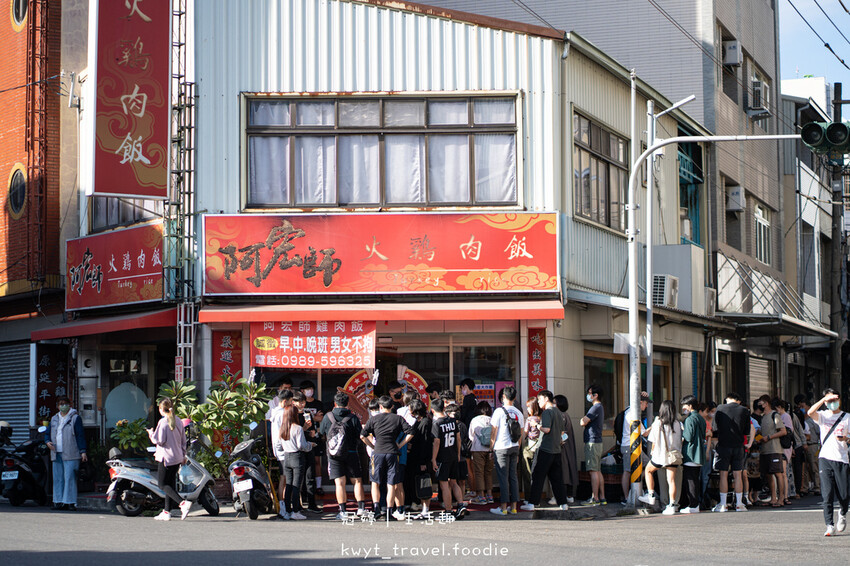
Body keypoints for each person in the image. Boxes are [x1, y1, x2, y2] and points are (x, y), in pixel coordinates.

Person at [360, 395, 414, 520]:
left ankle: (377, 509)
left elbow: (362, 436)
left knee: (375, 482)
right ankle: (390, 511)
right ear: (392, 406)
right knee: (391, 483)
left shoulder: (374, 419)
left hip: (378, 452)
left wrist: (372, 446)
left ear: (380, 406)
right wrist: (400, 444)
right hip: (392, 452)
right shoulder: (398, 418)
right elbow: (411, 432)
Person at [807, 388, 850, 536]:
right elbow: (810, 412)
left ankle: (843, 513)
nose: (832, 403)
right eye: (829, 401)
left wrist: (845, 439)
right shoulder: (823, 416)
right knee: (827, 494)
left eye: (834, 400)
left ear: (839, 400)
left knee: (844, 495)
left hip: (842, 459)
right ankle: (829, 525)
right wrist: (823, 399)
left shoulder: (847, 417)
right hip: (825, 458)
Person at [319, 391, 367, 520]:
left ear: (335, 403)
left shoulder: (328, 417)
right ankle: (361, 508)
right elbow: (360, 434)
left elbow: (322, 432)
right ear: (347, 404)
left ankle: (343, 511)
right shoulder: (353, 417)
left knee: (339, 483)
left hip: (334, 454)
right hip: (351, 452)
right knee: (357, 481)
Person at [521, 390, 569, 512]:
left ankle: (532, 503)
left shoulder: (548, 412)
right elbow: (562, 433)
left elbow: (546, 429)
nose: (538, 402)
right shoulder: (559, 412)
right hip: (556, 450)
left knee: (537, 476)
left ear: (546, 399)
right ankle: (563, 503)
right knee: (557, 479)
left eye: (540, 399)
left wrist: (536, 425)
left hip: (545, 449)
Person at [145, 398, 190, 521]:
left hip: (166, 458)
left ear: (161, 409)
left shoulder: (163, 422)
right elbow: (183, 441)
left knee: (162, 484)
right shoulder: (179, 421)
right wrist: (183, 455)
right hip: (177, 457)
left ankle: (182, 503)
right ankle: (166, 511)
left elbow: (159, 440)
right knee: (170, 484)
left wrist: (151, 433)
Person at [638, 400, 682, 515]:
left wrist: (652, 451)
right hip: (673, 456)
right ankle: (672, 505)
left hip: (660, 455)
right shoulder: (677, 423)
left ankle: (651, 495)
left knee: (648, 471)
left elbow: (653, 440)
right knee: (671, 481)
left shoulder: (658, 422)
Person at [44, 396, 87, 512]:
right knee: (58, 478)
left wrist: (83, 451)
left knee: (70, 478)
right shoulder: (54, 418)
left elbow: (80, 435)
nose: (63, 406)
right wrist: (47, 442)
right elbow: (47, 433)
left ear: (69, 405)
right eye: (61, 404)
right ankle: (58, 501)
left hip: (71, 452)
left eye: (65, 404)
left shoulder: (75, 418)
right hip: (56, 452)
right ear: (57, 406)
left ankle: (70, 502)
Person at [711, 392, 752, 512]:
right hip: (738, 446)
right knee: (738, 475)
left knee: (723, 474)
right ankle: (739, 503)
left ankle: (723, 504)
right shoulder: (744, 410)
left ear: (727, 399)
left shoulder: (720, 408)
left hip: (723, 445)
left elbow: (715, 428)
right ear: (737, 400)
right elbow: (747, 431)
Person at [431, 398, 468, 519]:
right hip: (453, 455)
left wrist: (433, 459)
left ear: (433, 410)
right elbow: (458, 438)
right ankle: (460, 505)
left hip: (443, 457)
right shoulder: (452, 421)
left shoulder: (437, 424)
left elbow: (436, 442)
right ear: (443, 408)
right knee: (454, 482)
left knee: (444, 485)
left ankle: (448, 510)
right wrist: (458, 454)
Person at [275, 404, 315, 520]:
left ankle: (287, 511)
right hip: (297, 457)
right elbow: (301, 445)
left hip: (286, 457)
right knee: (296, 485)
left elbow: (278, 445)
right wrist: (310, 445)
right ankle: (296, 511)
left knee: (289, 485)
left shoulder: (282, 428)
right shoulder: (297, 428)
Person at [489, 386, 524, 516]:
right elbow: (520, 434)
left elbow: (494, 431)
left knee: (503, 478)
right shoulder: (519, 413)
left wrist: (491, 448)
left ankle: (503, 508)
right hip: (514, 447)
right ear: (514, 398)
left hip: (501, 447)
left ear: (503, 396)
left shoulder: (499, 411)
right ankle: (514, 507)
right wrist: (518, 449)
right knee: (513, 477)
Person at [616, 392, 649, 503]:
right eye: (645, 403)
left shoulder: (628, 410)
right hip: (629, 446)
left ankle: (634, 488)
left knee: (647, 466)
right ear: (640, 402)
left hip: (630, 446)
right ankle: (627, 497)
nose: (646, 406)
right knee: (627, 471)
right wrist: (655, 425)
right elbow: (644, 433)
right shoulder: (633, 414)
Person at [405, 399, 434, 517]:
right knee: (414, 480)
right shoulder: (418, 421)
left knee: (422, 482)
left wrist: (423, 461)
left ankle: (423, 505)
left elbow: (425, 443)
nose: (409, 411)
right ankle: (415, 502)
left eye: (410, 409)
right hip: (413, 456)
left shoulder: (425, 422)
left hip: (420, 458)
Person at [757, 395, 787, 508]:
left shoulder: (775, 415)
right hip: (765, 450)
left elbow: (783, 431)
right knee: (768, 474)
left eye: (761, 402)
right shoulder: (763, 417)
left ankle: (781, 498)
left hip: (774, 449)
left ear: (766, 403)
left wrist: (769, 437)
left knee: (778, 473)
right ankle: (773, 498)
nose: (759, 404)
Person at [679, 395, 706, 513]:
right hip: (699, 453)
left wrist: (682, 433)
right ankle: (695, 504)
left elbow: (688, 437)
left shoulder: (689, 419)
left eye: (684, 406)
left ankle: (693, 505)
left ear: (690, 406)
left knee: (690, 480)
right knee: (695, 479)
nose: (683, 408)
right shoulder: (701, 418)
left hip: (690, 453)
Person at [580, 384, 605, 505]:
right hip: (597, 442)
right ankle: (602, 497)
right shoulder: (600, 407)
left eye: (590, 393)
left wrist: (582, 419)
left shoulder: (595, 408)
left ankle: (595, 498)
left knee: (593, 471)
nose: (588, 395)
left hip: (592, 442)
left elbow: (583, 422)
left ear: (596, 395)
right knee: (597, 470)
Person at [300, 379, 325, 498]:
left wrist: (313, 418)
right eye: (307, 389)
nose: (310, 391)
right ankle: (304, 488)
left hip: (316, 436)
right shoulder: (301, 404)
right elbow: (304, 418)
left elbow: (321, 418)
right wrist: (313, 417)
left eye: (311, 389)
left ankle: (318, 486)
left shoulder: (318, 404)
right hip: (304, 436)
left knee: (317, 461)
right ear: (302, 391)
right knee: (305, 462)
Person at [554, 395, 579, 503]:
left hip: (562, 447)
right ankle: (569, 495)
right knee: (569, 469)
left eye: (554, 402)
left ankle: (561, 497)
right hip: (568, 447)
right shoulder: (565, 415)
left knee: (563, 471)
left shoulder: (560, 415)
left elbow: (562, 433)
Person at [468, 401, 494, 504]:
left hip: (478, 448)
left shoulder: (474, 420)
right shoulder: (492, 420)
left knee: (479, 472)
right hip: (490, 449)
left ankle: (481, 496)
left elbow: (471, 436)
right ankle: (490, 495)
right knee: (488, 472)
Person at [795, 395, 821, 495]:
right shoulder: (801, 419)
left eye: (803, 407)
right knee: (804, 468)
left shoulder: (814, 419)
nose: (801, 409)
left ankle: (817, 487)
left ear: (808, 407)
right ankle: (804, 487)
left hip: (812, 445)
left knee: (814, 467)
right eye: (800, 407)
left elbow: (819, 433)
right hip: (802, 445)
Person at [520, 398, 543, 503]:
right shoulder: (542, 419)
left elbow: (525, 433)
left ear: (534, 407)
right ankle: (536, 498)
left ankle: (528, 498)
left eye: (529, 407)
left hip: (529, 447)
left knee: (527, 473)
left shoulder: (530, 419)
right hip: (539, 448)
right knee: (537, 474)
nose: (527, 409)